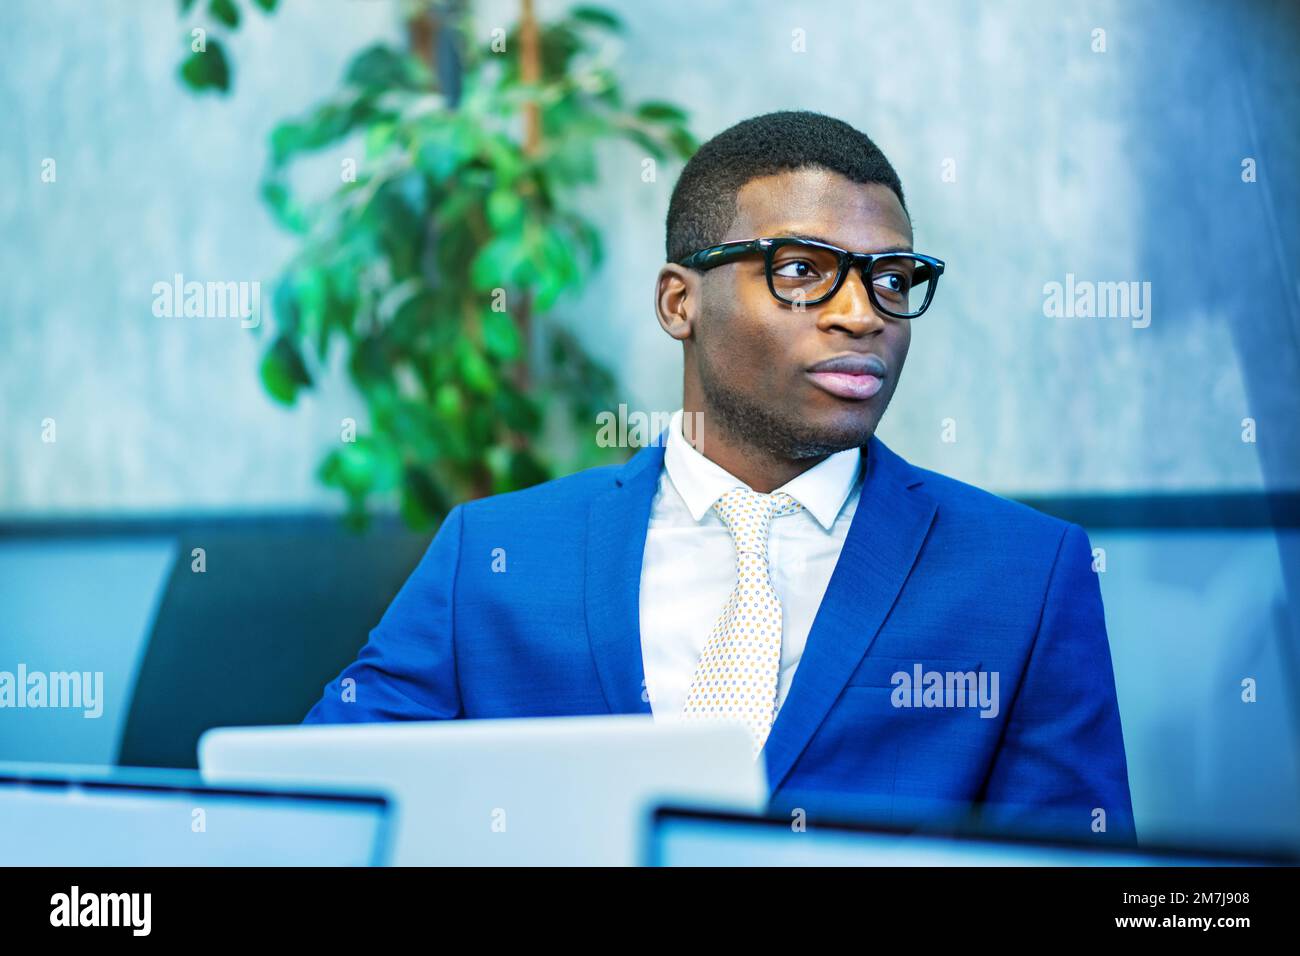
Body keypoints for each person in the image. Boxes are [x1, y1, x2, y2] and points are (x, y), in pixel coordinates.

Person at [304, 110, 1135, 843]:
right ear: (679, 303)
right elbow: (313, 811)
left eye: (891, 279)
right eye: (802, 270)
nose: (863, 313)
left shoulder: (1023, 575)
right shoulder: (494, 553)